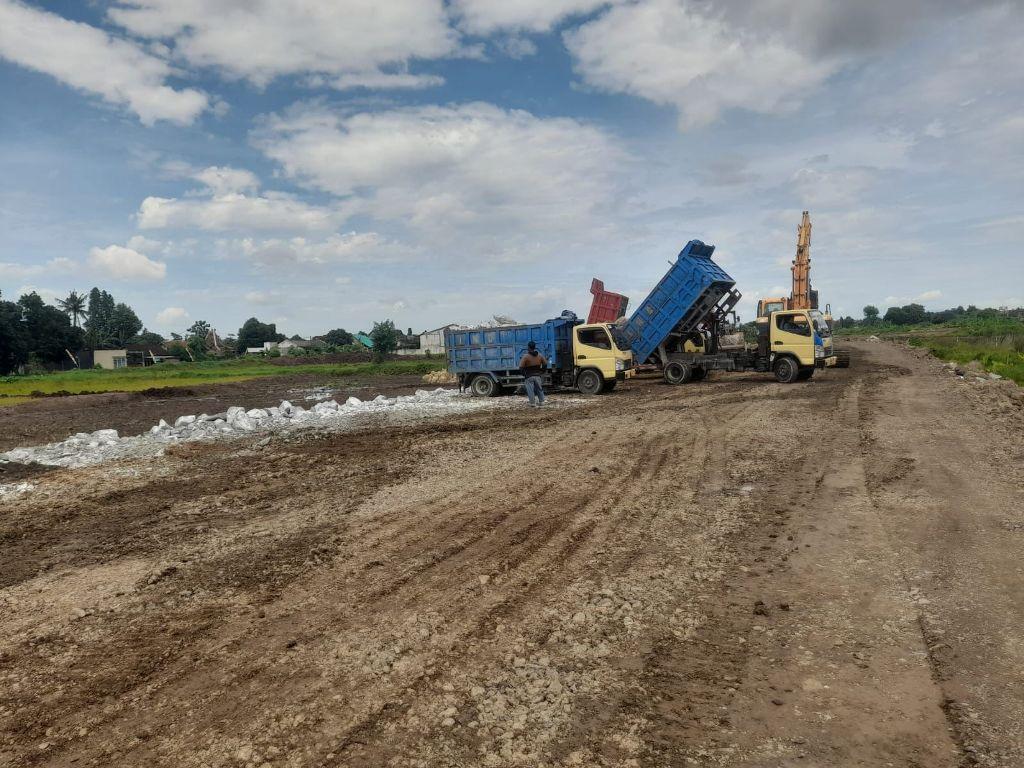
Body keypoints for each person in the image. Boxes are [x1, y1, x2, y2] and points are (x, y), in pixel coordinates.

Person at [519, 341, 548, 407]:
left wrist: (525, 375)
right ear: (535, 347)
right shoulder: (540, 355)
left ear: (528, 347)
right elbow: (545, 364)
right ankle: (542, 401)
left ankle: (532, 403)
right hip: (537, 375)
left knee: (530, 390)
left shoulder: (526, 357)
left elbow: (521, 367)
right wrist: (542, 371)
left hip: (529, 376)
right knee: (539, 389)